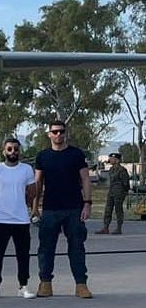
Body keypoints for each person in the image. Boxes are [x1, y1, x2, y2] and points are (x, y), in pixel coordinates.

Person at [33, 120, 93, 298]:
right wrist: (35, 207)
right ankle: (45, 283)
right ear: (49, 134)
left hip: (74, 208)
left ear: (66, 133)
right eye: (55, 131)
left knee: (77, 247)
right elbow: (38, 183)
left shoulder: (76, 154)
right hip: (50, 209)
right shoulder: (42, 156)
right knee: (46, 248)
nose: (58, 134)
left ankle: (81, 284)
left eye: (61, 131)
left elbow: (85, 179)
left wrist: (87, 203)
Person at [0, 138, 37, 300]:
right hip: (0, 220)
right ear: (4, 151)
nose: (13, 152)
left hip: (21, 220)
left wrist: (23, 203)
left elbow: (32, 191)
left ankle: (23, 286)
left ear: (19, 151)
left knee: (23, 255)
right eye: (9, 149)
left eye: (15, 149)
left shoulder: (26, 169)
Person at [98, 152, 130, 235]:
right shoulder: (111, 169)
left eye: (112, 159)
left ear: (117, 160)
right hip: (111, 192)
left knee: (118, 210)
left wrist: (124, 192)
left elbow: (126, 182)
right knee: (108, 209)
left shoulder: (122, 170)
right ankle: (106, 228)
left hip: (119, 192)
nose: (110, 160)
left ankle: (119, 228)